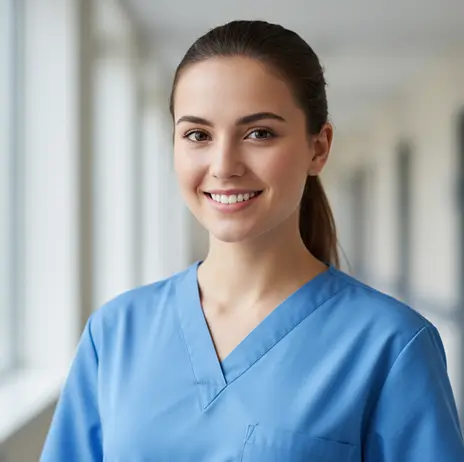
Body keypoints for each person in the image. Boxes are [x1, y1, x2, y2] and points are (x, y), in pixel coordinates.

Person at [41, 20, 464, 461]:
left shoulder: (390, 344)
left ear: (318, 148)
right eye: (197, 135)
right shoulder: (114, 335)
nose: (224, 165)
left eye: (259, 133)